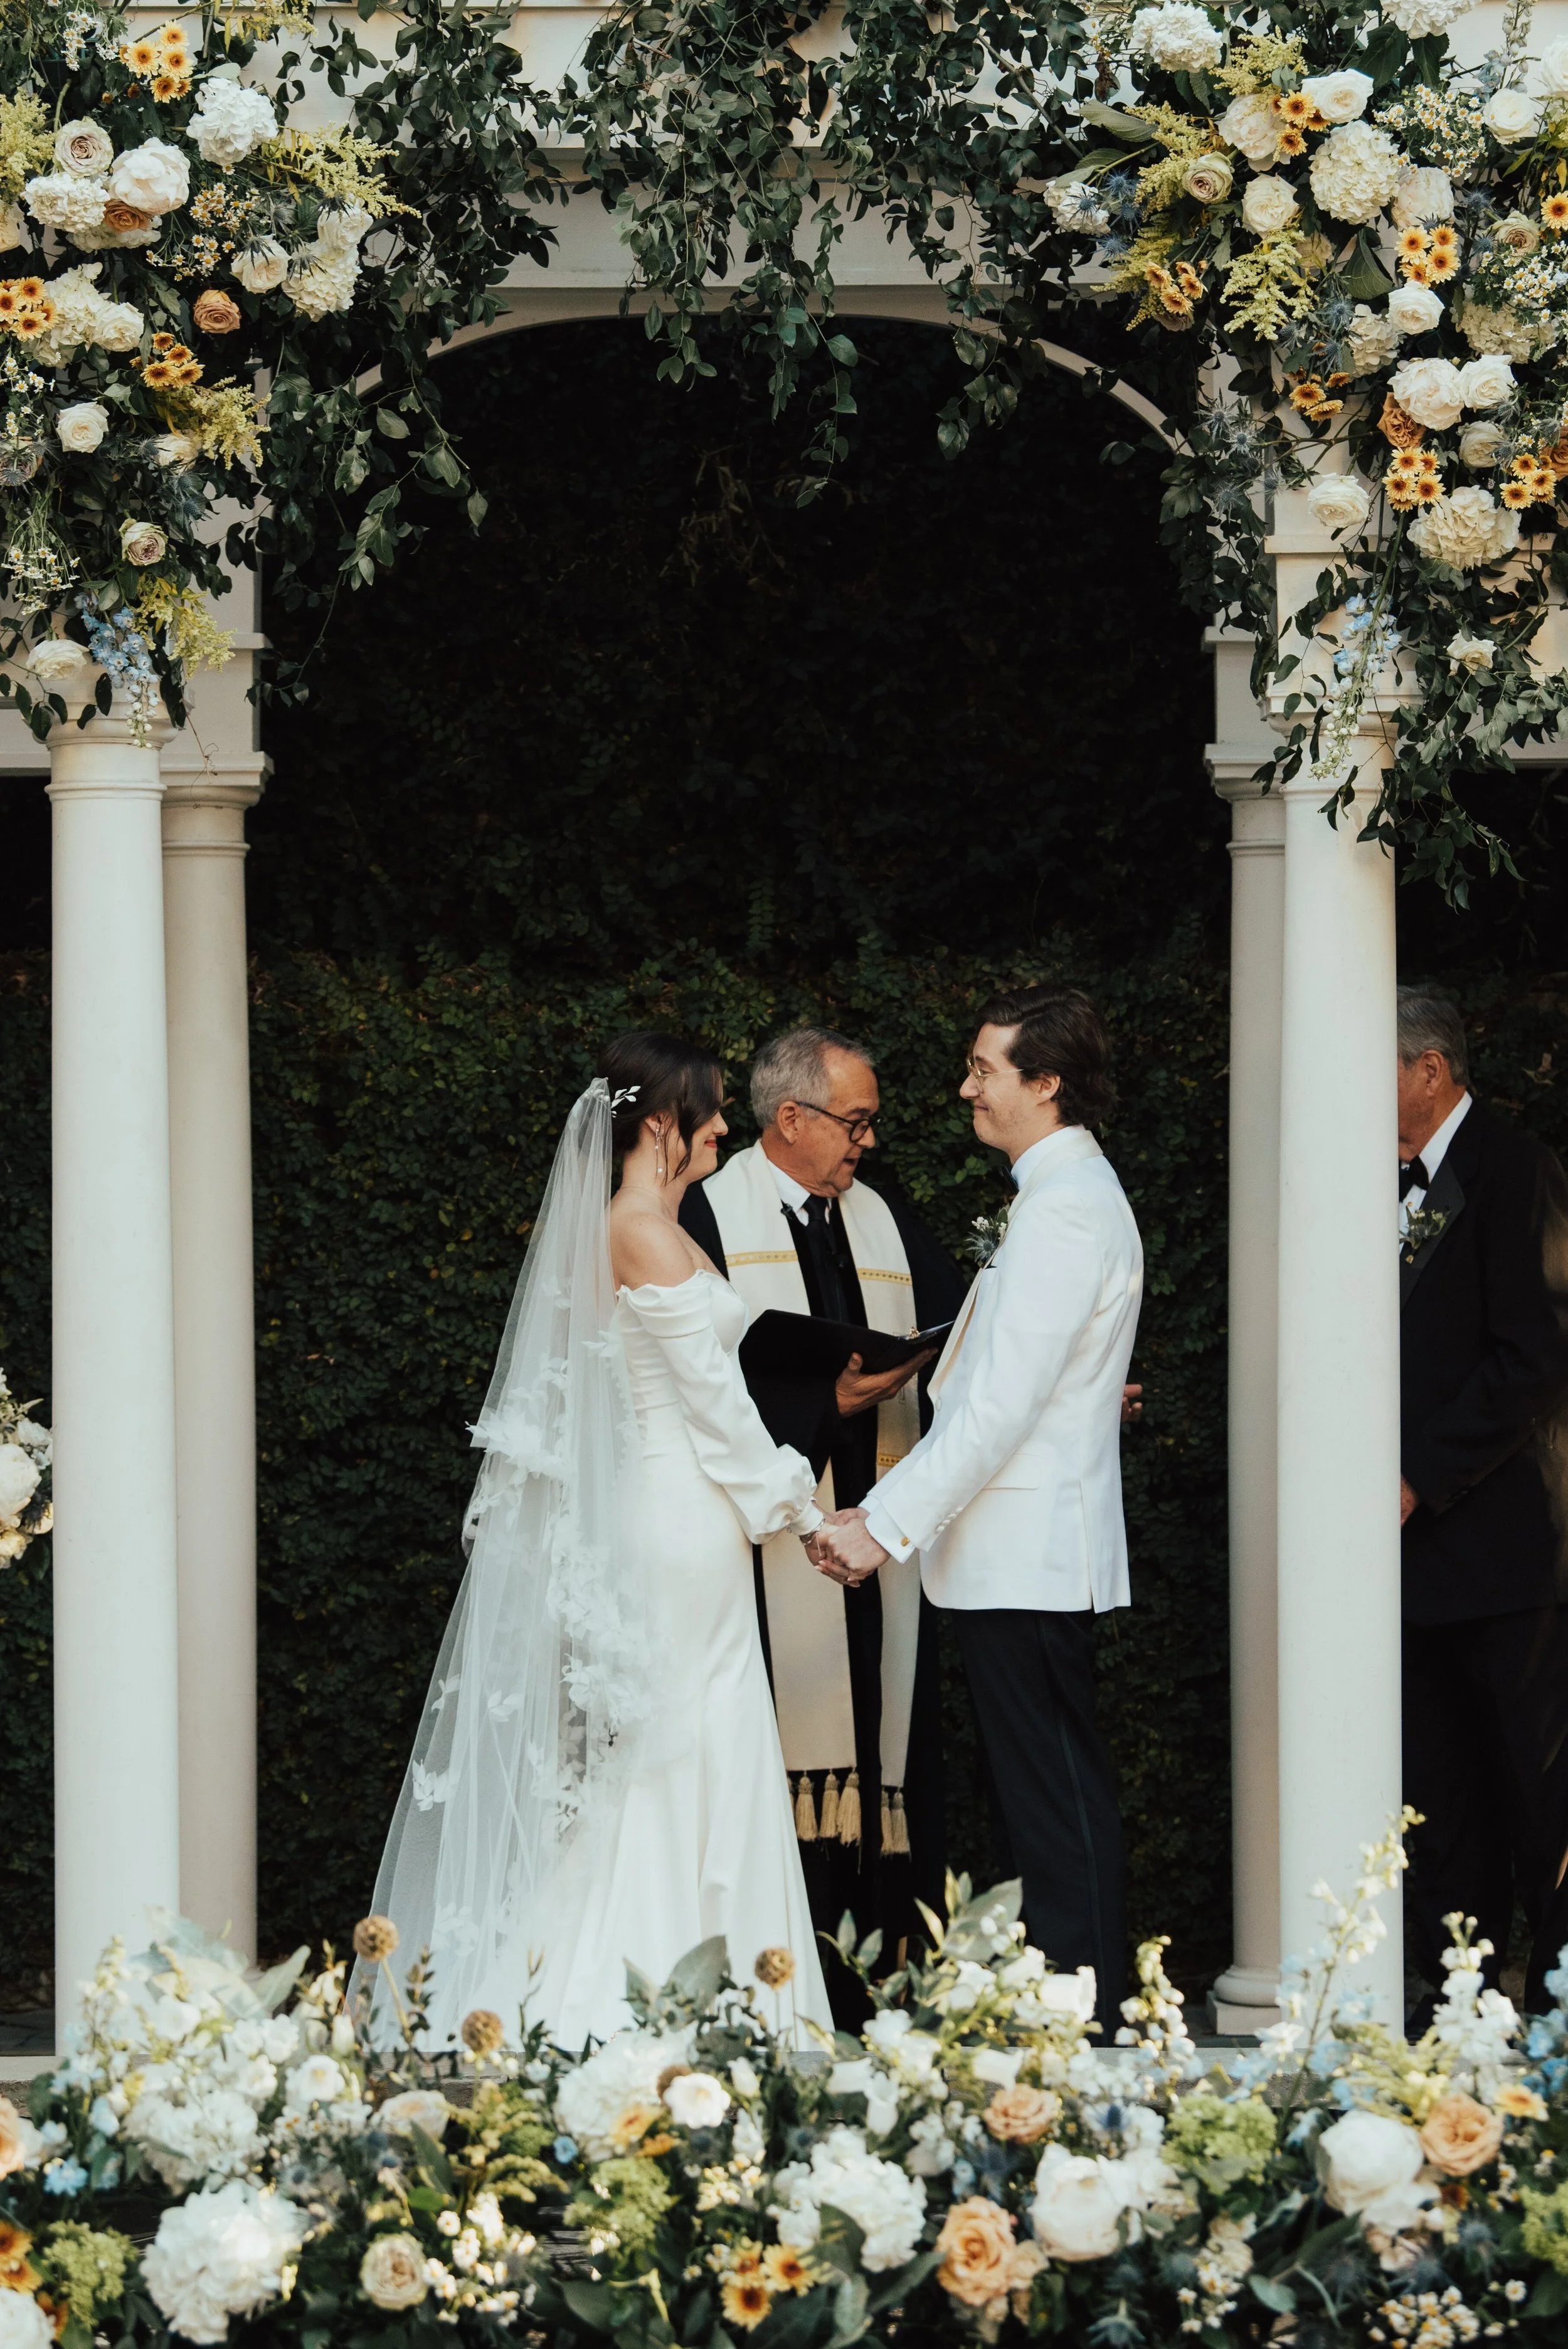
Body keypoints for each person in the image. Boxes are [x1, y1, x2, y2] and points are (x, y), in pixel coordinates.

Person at [362, 1034, 834, 2049]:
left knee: (687, 1745)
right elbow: (715, 1406)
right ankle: (647, 2009)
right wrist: (805, 1513)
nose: (722, 1126)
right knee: (679, 1751)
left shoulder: (653, 1225)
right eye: (709, 1109)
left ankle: (703, 1992)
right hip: (682, 1515)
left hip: (687, 1511)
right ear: (659, 1122)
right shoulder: (645, 1232)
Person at [810, 985, 1142, 2029]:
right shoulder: (1056, 1197)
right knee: (1035, 1797)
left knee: (1052, 1801)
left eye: (985, 1069)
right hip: (1014, 1552)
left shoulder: (1069, 1207)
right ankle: (1056, 2010)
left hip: (1030, 1552)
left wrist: (881, 1525)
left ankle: (1085, 2021)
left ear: (1046, 1082)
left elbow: (1001, 1406)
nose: (966, 1087)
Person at [679, 1029, 968, 2007]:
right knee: (779, 1739)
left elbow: (958, 1326)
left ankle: (880, 1977)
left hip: (873, 1533)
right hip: (766, 1536)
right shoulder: (703, 1219)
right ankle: (786, 1979)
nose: (868, 1142)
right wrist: (826, 1409)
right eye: (856, 1121)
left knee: (885, 1733)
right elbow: (692, 1392)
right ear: (790, 1118)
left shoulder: (884, 1219)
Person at [1396, 988, 1568, 2017]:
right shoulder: (1382, 1180)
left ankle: (1555, 2012)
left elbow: (1535, 1353)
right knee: (1438, 1793)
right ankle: (1455, 2003)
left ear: (1429, 1069)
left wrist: (1421, 1474)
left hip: (1507, 1552)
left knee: (1538, 1789)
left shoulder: (1516, 1169)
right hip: (1417, 1563)